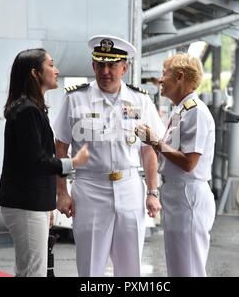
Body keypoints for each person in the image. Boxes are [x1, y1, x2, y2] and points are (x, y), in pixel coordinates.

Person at [53, 35, 165, 277]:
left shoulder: (141, 100)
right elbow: (60, 147)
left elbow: (148, 150)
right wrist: (61, 192)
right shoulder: (75, 99)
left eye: (112, 65)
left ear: (124, 67)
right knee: (90, 267)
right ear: (93, 65)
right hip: (90, 189)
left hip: (130, 187)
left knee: (130, 268)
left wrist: (153, 192)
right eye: (100, 64)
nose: (105, 71)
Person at [0, 48, 89, 277]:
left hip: (31, 203)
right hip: (26, 203)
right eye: (51, 65)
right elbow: (36, 162)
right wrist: (72, 162)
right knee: (33, 272)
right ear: (35, 73)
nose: (56, 71)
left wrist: (47, 204)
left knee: (28, 269)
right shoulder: (27, 110)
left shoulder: (31, 108)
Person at [135, 53, 216, 277]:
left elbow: (190, 162)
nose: (160, 80)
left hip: (188, 193)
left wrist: (154, 142)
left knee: (188, 268)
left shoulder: (196, 112)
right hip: (177, 193)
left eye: (164, 74)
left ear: (180, 77)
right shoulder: (182, 110)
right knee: (179, 267)